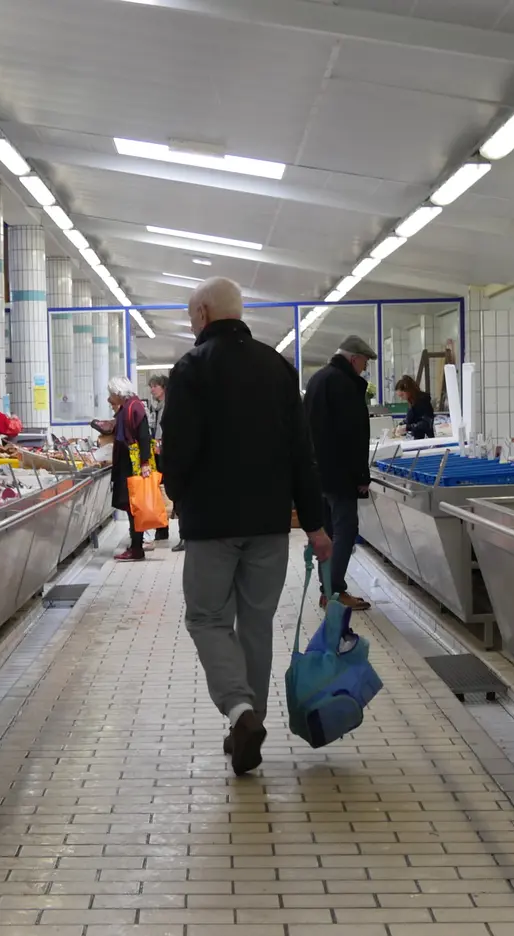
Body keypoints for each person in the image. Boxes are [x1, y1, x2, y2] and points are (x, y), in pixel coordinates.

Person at [161, 278, 332, 776]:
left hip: (212, 524)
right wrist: (316, 524)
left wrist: (179, 495)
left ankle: (240, 712)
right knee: (256, 625)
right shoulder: (279, 367)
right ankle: (247, 727)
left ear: (205, 313)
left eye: (193, 315)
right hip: (268, 524)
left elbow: (179, 447)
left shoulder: (191, 369)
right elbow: (304, 453)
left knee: (207, 619)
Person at [304, 335, 376, 612]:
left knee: (330, 531)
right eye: (364, 362)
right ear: (353, 358)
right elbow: (353, 435)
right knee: (346, 530)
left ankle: (328, 589)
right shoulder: (345, 385)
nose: (364, 368)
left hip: (318, 471)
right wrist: (361, 476)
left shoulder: (318, 379)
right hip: (340, 473)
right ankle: (334, 591)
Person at [103, 377, 155, 562]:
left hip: (132, 467)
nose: (110, 399)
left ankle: (136, 548)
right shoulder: (128, 407)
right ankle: (135, 546)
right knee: (132, 508)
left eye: (111, 395)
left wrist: (145, 463)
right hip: (128, 465)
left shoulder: (134, 408)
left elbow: (143, 437)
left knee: (134, 508)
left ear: (118, 393)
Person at [146, 373, 178, 550]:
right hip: (156, 452)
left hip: (167, 452)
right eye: (151, 387)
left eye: (155, 386)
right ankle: (161, 528)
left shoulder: (170, 405)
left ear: (163, 387)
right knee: (158, 490)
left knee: (169, 490)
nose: (152, 390)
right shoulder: (155, 407)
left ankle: (177, 529)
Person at [395, 374, 435, 440]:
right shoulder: (412, 402)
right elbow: (409, 419)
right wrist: (400, 425)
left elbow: (426, 423)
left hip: (425, 438)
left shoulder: (422, 401)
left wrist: (407, 427)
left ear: (408, 391)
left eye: (402, 395)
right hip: (417, 437)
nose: (402, 398)